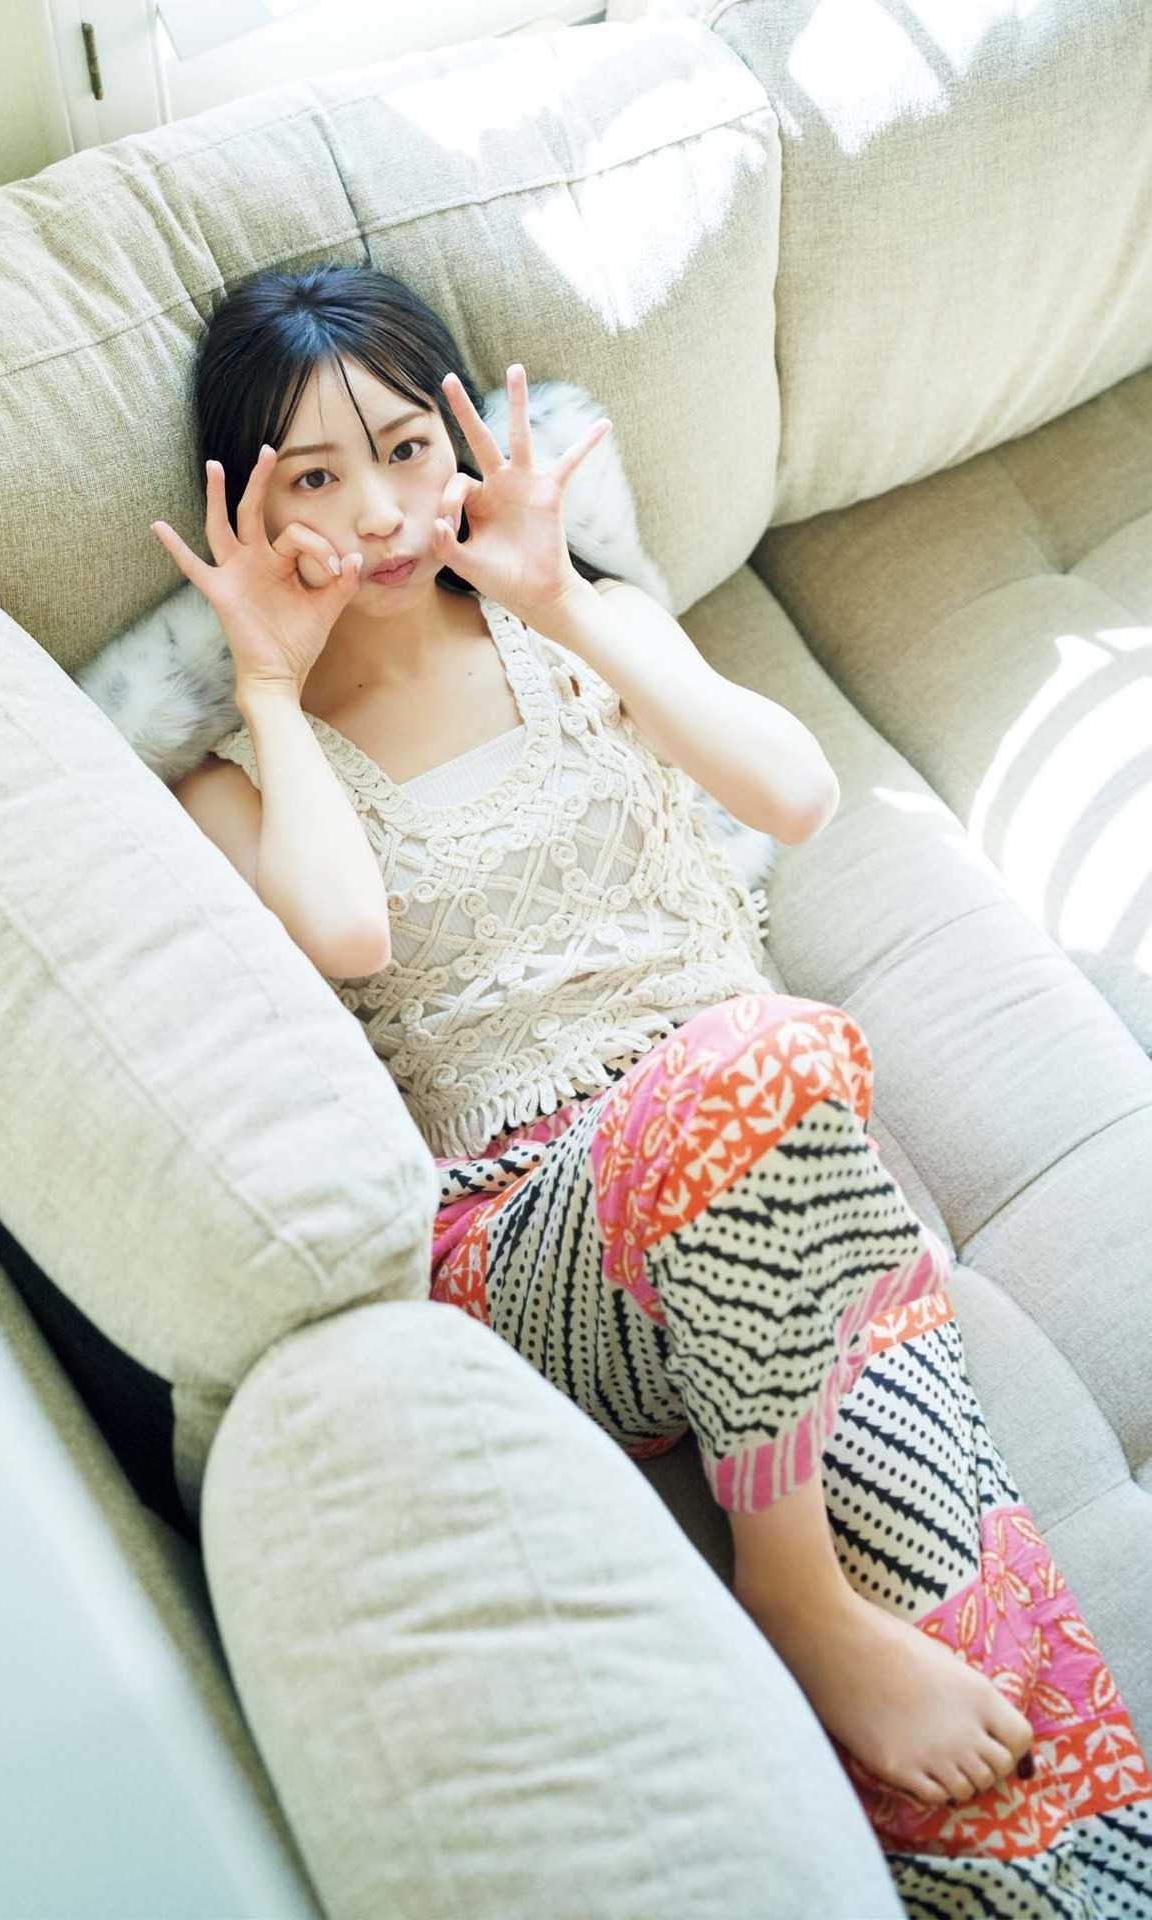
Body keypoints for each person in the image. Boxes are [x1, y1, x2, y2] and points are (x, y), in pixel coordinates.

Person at [153, 261, 1152, 1909]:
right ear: (244, 511)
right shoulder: (236, 772)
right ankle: (791, 1588)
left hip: (776, 1172)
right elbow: (341, 934)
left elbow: (797, 792)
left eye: (405, 450)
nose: (381, 513)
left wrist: (559, 596)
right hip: (536, 1249)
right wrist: (269, 680)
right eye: (314, 480)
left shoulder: (571, 621)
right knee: (767, 1061)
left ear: (464, 443)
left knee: (983, 1627)